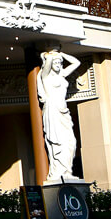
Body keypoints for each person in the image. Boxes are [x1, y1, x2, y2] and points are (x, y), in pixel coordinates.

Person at [37, 48, 83, 181]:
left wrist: (62, 54)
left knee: (71, 142)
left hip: (64, 112)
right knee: (57, 143)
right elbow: (47, 62)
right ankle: (59, 172)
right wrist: (50, 55)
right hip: (53, 111)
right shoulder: (45, 77)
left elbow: (76, 63)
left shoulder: (62, 75)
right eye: (55, 63)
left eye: (60, 63)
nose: (58, 65)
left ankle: (67, 171)